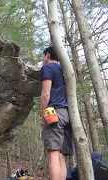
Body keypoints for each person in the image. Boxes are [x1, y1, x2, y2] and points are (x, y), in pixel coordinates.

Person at [40, 46, 75, 180]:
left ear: (47, 55)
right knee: (61, 155)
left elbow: (45, 93)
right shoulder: (65, 69)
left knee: (53, 153)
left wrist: (44, 114)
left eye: (43, 57)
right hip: (69, 115)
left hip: (54, 113)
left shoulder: (48, 68)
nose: (43, 60)